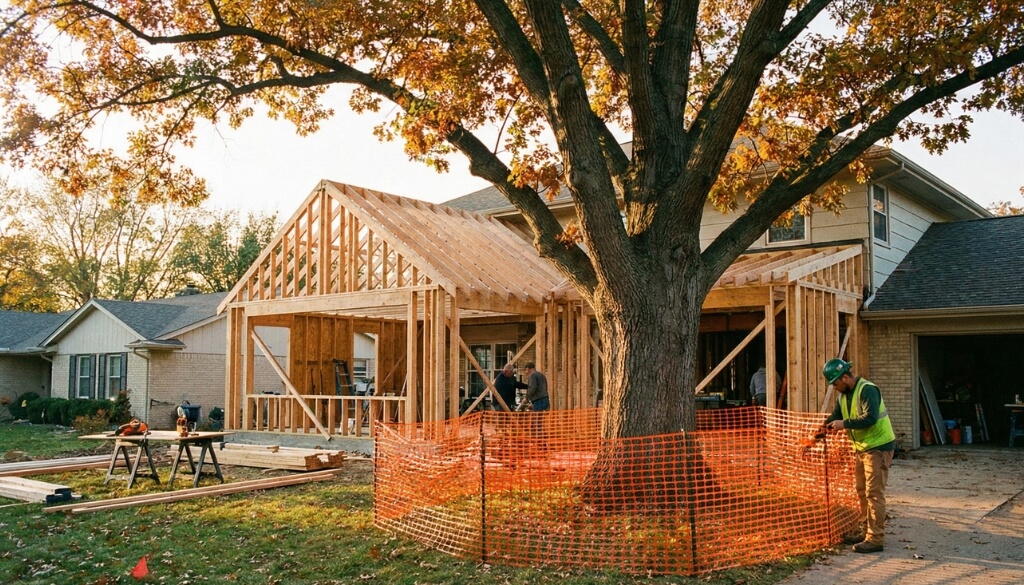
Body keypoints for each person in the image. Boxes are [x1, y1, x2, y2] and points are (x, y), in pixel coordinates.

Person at [822, 358, 896, 554]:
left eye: (836, 383)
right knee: (862, 491)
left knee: (874, 494)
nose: (835, 387)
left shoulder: (867, 390)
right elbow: (835, 416)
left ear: (845, 378)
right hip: (862, 448)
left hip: (878, 447)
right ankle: (866, 532)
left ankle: (875, 538)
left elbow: (870, 418)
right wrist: (819, 431)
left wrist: (843, 424)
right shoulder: (843, 396)